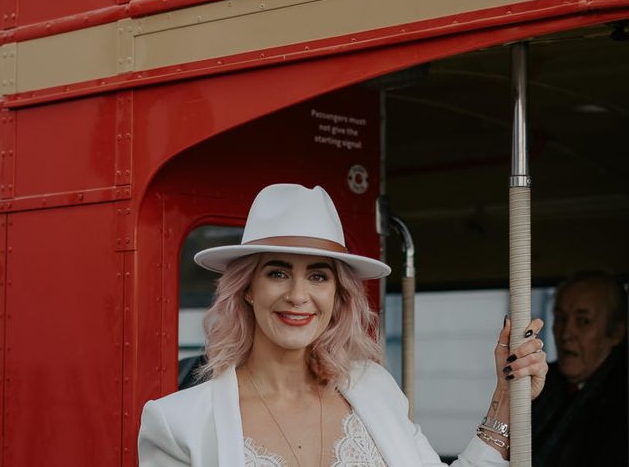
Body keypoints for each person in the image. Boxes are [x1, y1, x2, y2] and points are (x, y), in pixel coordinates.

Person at [139, 184, 548, 466]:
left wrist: (504, 399)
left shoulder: (373, 387)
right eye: (278, 273)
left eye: (318, 276)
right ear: (248, 288)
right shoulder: (178, 422)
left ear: (337, 295)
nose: (298, 295)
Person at [532, 271, 628, 467]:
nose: (566, 333)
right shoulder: (540, 382)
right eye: (560, 318)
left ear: (617, 332)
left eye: (583, 321)